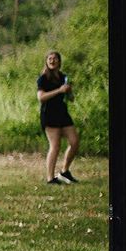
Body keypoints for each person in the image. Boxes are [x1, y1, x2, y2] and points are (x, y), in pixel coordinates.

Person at [36, 51, 79, 185]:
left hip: (63, 114)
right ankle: (50, 178)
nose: (52, 61)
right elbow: (41, 97)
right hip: (49, 115)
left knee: (74, 141)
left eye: (55, 59)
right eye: (50, 59)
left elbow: (71, 99)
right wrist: (59, 91)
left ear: (59, 62)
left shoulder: (63, 77)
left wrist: (69, 91)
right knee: (55, 146)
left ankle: (64, 171)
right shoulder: (43, 78)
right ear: (46, 62)